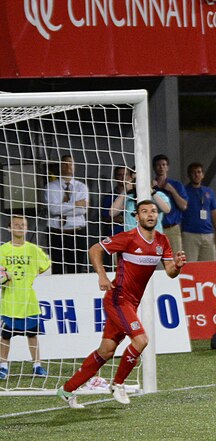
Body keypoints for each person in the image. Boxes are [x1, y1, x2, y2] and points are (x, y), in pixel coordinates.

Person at [56, 201, 187, 408]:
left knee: (106, 351)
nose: (150, 215)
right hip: (118, 299)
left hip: (131, 303)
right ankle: (118, 384)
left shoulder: (162, 240)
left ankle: (66, 390)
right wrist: (102, 276)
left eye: (153, 211)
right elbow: (95, 249)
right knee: (141, 340)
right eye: (144, 212)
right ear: (137, 217)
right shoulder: (127, 238)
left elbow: (170, 272)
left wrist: (177, 267)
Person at [0, 215, 52, 380]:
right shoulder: (3, 250)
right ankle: (3, 367)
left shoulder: (32, 249)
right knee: (5, 336)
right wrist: (4, 277)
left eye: (22, 225)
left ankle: (37, 366)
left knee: (32, 334)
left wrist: (32, 275)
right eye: (16, 225)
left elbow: (45, 265)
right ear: (9, 228)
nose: (20, 227)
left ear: (26, 228)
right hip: (9, 300)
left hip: (28, 299)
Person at [44, 154, 89, 274]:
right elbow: (53, 210)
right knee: (57, 268)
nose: (68, 165)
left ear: (74, 166)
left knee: (76, 269)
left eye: (70, 163)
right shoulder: (51, 187)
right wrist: (75, 204)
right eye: (64, 163)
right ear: (59, 166)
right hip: (56, 232)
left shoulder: (81, 187)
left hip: (77, 232)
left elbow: (82, 210)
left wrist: (62, 207)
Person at [181, 162, 216, 262]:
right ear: (189, 175)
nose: (196, 175)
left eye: (199, 172)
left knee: (209, 264)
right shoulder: (184, 191)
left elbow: (214, 212)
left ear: (203, 175)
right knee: (190, 264)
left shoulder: (209, 191)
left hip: (208, 233)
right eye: (193, 172)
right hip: (190, 233)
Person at [152, 154, 188, 255]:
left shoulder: (176, 185)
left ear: (168, 167)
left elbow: (184, 206)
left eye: (164, 165)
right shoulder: (149, 185)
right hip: (155, 228)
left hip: (173, 228)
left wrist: (172, 191)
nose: (161, 167)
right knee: (155, 257)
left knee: (176, 258)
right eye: (158, 165)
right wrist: (151, 188)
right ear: (154, 168)